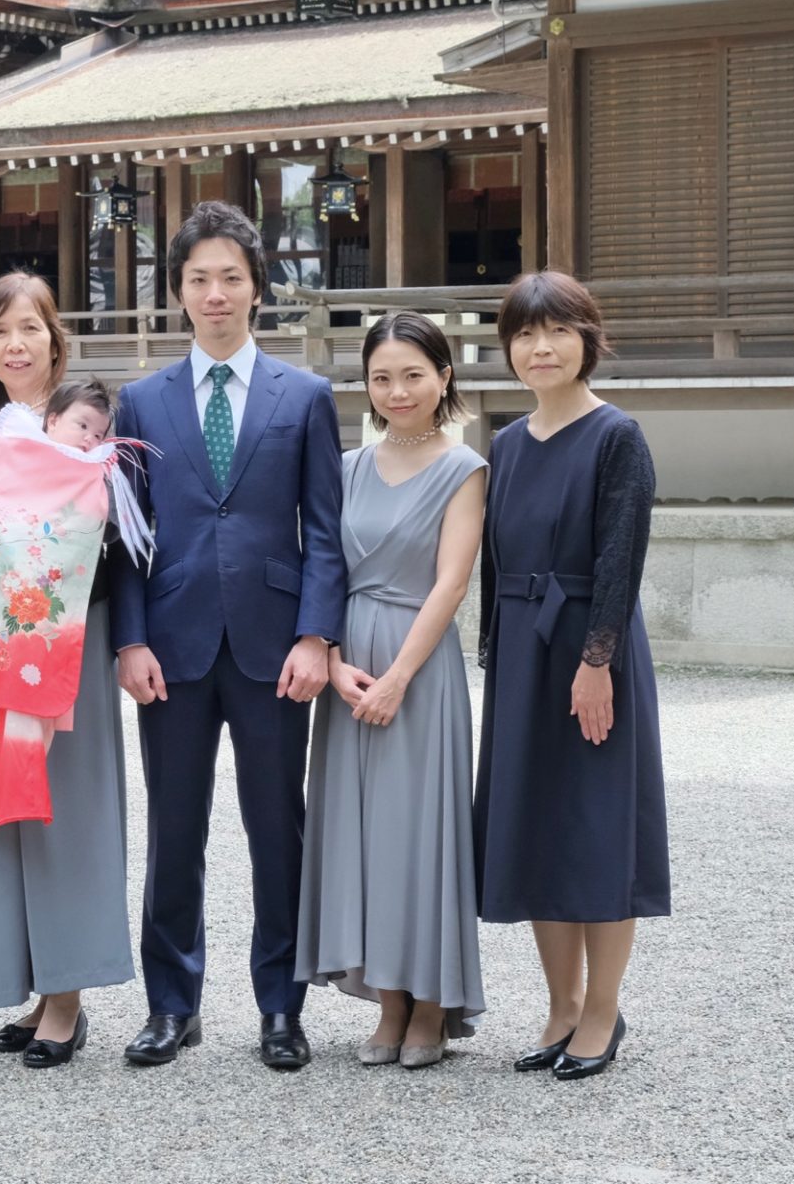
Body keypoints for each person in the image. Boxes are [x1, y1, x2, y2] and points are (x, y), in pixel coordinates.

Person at [111, 200, 346, 1070]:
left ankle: (281, 1007)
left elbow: (324, 528)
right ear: (179, 293)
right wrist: (127, 640)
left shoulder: (305, 396)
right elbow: (126, 538)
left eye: (231, 278)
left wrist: (317, 633)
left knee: (276, 831)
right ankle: (172, 1004)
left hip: (273, 645)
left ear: (258, 290)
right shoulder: (143, 397)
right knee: (175, 830)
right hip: (169, 647)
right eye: (199, 279)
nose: (216, 293)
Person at [0, 272, 135, 1070]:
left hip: (60, 642)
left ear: (56, 338)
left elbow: (99, 540)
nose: (14, 345)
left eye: (29, 328)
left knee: (64, 807)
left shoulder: (84, 431)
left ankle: (69, 995)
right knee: (7, 814)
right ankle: (34, 982)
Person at [474, 271, 670, 1082]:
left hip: (594, 649)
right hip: (522, 651)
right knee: (533, 826)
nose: (540, 347)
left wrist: (598, 661)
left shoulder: (616, 436)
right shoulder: (507, 445)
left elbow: (621, 558)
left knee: (596, 826)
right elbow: (493, 563)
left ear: (588, 339)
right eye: (524, 333)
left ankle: (602, 1008)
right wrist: (495, 653)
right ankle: (559, 1004)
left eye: (557, 330)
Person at [296, 311, 488, 1070]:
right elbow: (325, 566)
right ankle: (389, 996)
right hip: (350, 669)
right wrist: (336, 660)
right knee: (362, 831)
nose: (397, 389)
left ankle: (433, 1000)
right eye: (382, 376)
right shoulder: (346, 465)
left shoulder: (464, 467)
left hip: (419, 664)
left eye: (413, 373)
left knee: (420, 830)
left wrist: (400, 675)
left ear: (444, 376)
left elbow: (453, 579)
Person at [42, 378, 113, 452]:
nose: (90, 439)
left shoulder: (93, 460)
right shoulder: (34, 450)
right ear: (53, 422)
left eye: (97, 436)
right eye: (83, 426)